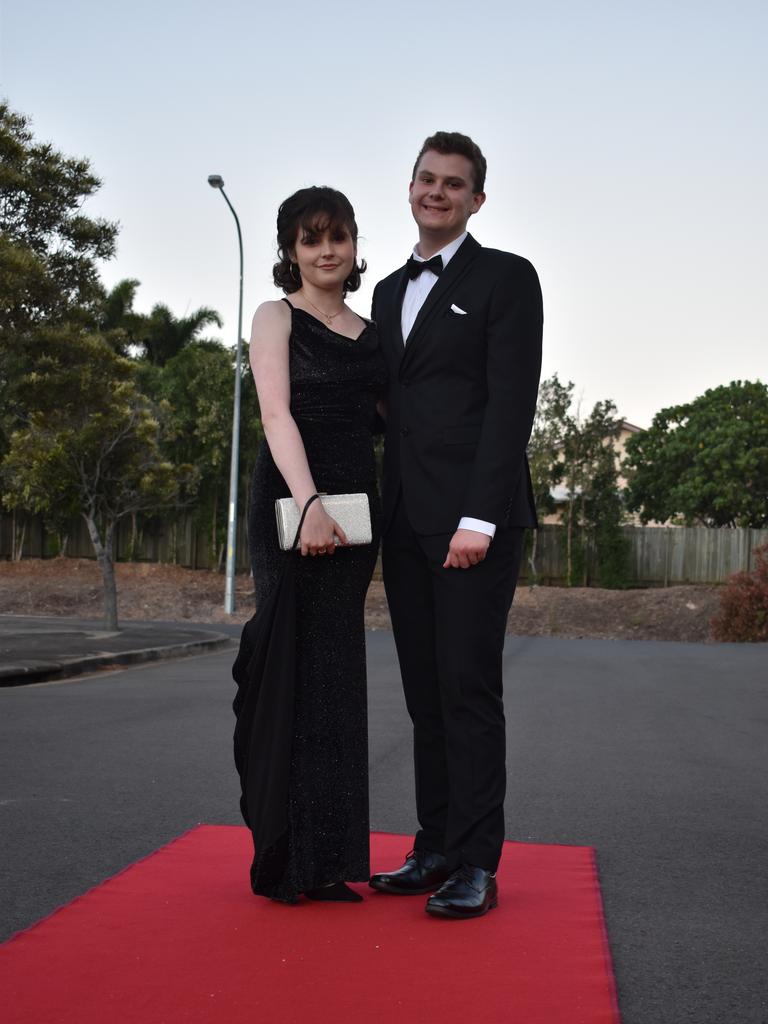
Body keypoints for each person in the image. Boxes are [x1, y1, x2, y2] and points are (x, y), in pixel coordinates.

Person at [368, 132, 543, 919]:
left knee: (468, 691)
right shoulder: (386, 291)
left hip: (473, 524)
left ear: (477, 199)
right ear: (410, 187)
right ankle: (434, 844)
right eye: (426, 179)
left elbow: (510, 407)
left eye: (454, 184)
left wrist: (480, 518)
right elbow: (391, 407)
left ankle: (476, 861)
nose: (437, 192)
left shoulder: (507, 278)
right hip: (403, 519)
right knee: (424, 696)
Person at [232, 186, 385, 904]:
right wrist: (309, 504)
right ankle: (288, 857)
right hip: (296, 505)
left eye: (338, 237)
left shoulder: (373, 330)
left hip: (358, 514)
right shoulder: (275, 316)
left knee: (337, 677)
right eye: (310, 238)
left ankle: (330, 860)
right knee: (294, 670)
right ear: (290, 250)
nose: (326, 250)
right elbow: (273, 410)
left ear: (354, 245)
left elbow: (393, 419)